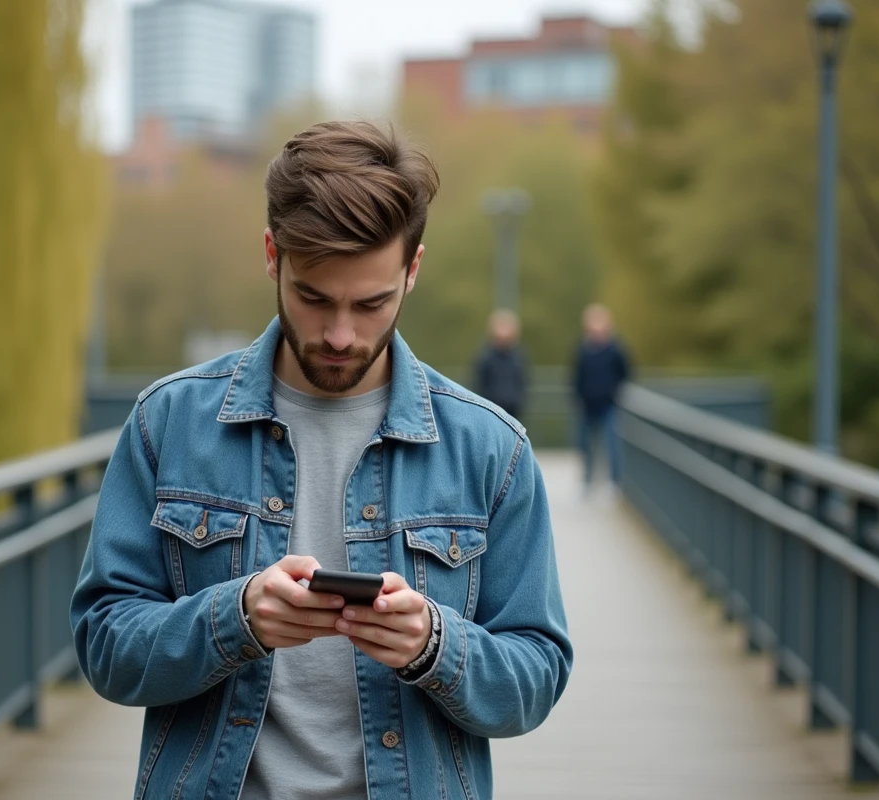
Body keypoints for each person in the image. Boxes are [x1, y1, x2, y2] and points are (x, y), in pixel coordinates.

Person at [70, 121, 572, 800]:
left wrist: (434, 645)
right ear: (273, 255)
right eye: (314, 298)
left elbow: (536, 674)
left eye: (371, 304)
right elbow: (104, 645)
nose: (340, 335)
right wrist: (235, 618)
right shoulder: (168, 423)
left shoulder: (492, 449)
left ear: (413, 270)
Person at [572, 303, 630, 489]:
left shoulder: (615, 349)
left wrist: (614, 391)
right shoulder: (583, 349)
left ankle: (613, 482)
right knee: (586, 446)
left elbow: (625, 373)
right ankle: (588, 481)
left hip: (608, 404)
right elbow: (576, 375)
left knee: (611, 445)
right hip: (587, 404)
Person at [471, 308, 528, 420]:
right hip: (491, 411)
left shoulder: (518, 356)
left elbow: (522, 381)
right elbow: (480, 383)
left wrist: (518, 402)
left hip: (513, 411)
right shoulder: (485, 357)